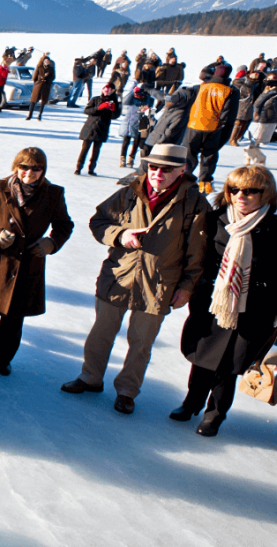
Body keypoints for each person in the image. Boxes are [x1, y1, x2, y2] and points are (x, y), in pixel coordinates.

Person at [62, 144, 209, 414]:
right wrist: (120, 235)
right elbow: (99, 221)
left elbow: (197, 253)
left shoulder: (195, 203)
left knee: (141, 342)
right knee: (100, 333)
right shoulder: (130, 192)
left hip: (159, 283)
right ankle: (90, 378)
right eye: (153, 167)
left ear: (182, 170)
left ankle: (127, 391)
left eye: (166, 169)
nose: (157, 173)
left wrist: (186, 288)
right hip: (118, 274)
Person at [174, 166, 277, 437]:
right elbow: (199, 258)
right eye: (234, 190)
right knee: (203, 357)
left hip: (253, 309)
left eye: (250, 190)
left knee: (228, 365)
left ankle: (215, 414)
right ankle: (191, 403)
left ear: (265, 193)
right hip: (214, 302)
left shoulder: (274, 228)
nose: (241, 196)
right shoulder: (215, 219)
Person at [0, 148, 74, 375]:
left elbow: (65, 225)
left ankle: (4, 358)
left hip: (27, 263)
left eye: (36, 168)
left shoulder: (53, 194)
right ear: (16, 167)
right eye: (24, 167)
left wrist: (51, 243)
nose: (29, 173)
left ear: (43, 170)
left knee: (14, 319)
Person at [184, 64, 239, 193]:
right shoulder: (230, 91)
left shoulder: (202, 86)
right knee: (209, 155)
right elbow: (229, 117)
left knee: (189, 154)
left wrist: (215, 63)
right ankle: (205, 182)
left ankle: (185, 179)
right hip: (213, 128)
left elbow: (203, 73)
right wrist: (224, 137)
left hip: (194, 124)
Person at [75, 85, 120, 176]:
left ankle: (91, 169)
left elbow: (115, 116)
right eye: (105, 89)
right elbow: (87, 111)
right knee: (85, 149)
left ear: (112, 91)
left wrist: (113, 110)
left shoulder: (114, 101)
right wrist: (99, 108)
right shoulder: (95, 99)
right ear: (102, 89)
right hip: (90, 128)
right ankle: (78, 168)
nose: (107, 91)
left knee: (96, 151)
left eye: (109, 89)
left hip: (102, 129)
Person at [228, 68, 263, 146]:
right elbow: (245, 89)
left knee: (246, 122)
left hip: (248, 106)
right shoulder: (239, 83)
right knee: (238, 122)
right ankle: (233, 139)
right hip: (241, 106)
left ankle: (238, 137)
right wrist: (251, 79)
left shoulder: (253, 83)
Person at [118, 86, 150, 168]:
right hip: (128, 123)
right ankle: (123, 158)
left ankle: (131, 158)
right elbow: (125, 100)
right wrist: (132, 90)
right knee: (126, 141)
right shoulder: (131, 99)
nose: (136, 95)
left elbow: (151, 105)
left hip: (140, 123)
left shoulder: (146, 99)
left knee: (136, 142)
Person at [27, 52, 55, 121]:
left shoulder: (51, 68)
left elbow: (53, 77)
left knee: (43, 102)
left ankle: (40, 115)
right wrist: (42, 77)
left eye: (48, 62)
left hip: (46, 86)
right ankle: (30, 115)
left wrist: (47, 78)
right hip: (38, 85)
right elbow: (34, 78)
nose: (47, 63)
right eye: (46, 61)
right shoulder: (39, 67)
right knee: (34, 101)